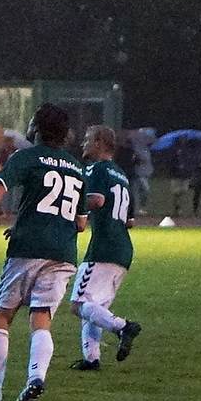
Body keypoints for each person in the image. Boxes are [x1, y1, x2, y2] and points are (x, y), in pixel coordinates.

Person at [0, 102, 84, 401]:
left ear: (36, 128)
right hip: (63, 253)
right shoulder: (77, 167)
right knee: (41, 320)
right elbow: (80, 223)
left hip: (27, 250)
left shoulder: (26, 157)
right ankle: (36, 377)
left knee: (3, 317)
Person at [68, 125, 143, 370]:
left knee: (79, 305)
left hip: (104, 247)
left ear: (100, 142)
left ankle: (123, 327)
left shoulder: (97, 169)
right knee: (95, 307)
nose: (83, 144)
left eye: (88, 139)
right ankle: (92, 359)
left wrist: (73, 207)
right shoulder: (121, 174)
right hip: (122, 249)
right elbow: (130, 221)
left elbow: (97, 200)